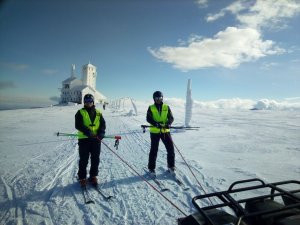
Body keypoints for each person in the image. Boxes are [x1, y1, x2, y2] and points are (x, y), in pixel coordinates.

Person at [75, 94, 106, 187]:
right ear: (84, 102)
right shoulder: (80, 112)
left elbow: (103, 125)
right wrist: (88, 132)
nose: (88, 103)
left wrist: (101, 133)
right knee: (84, 159)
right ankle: (82, 177)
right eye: (86, 102)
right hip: (84, 139)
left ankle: (93, 176)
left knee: (95, 159)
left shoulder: (99, 113)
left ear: (93, 102)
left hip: (96, 139)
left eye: (90, 101)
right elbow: (78, 125)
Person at [146, 91, 175, 176]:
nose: (159, 100)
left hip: (165, 131)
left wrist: (168, 124)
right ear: (154, 99)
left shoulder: (167, 107)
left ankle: (171, 166)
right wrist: (156, 124)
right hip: (155, 131)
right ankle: (151, 169)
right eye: (157, 98)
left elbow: (171, 118)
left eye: (160, 98)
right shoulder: (151, 107)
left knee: (171, 149)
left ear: (162, 98)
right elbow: (148, 118)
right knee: (154, 150)